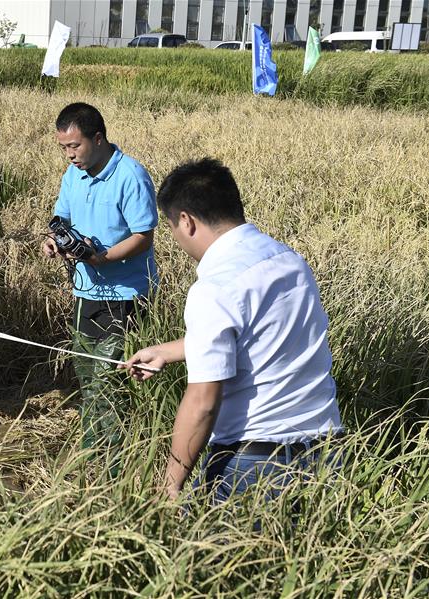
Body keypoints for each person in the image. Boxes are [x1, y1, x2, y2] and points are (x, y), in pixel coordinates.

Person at [123, 158, 342, 503]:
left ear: (186, 221)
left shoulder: (215, 286)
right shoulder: (290, 261)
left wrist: (170, 485)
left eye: (172, 229)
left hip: (253, 466)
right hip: (326, 455)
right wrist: (168, 351)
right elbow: (261, 335)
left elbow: (203, 403)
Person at [41, 102, 158, 475]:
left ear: (98, 138)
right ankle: (94, 452)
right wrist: (54, 241)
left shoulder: (130, 176)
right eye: (63, 148)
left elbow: (143, 236)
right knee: (88, 377)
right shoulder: (72, 176)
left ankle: (118, 465)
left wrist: (103, 258)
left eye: (74, 146)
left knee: (111, 383)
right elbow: (61, 219)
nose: (69, 155)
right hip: (85, 294)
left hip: (125, 296)